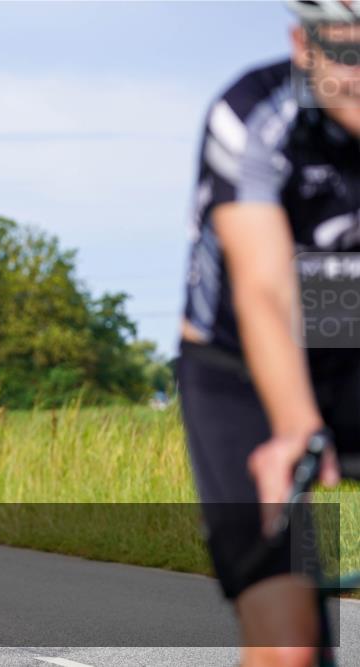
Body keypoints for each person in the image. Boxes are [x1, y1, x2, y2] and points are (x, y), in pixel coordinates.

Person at [178, 2, 360, 665]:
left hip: (348, 335)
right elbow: (264, 288)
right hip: (238, 365)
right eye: (347, 53)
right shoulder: (252, 112)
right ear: (302, 47)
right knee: (289, 641)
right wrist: (295, 426)